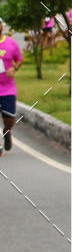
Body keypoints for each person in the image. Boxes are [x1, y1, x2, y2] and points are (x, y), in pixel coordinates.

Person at [0, 17, 23, 155]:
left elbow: (19, 60)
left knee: (9, 118)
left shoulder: (11, 44)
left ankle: (7, 131)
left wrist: (15, 68)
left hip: (7, 89)